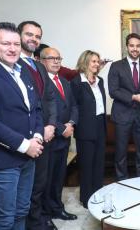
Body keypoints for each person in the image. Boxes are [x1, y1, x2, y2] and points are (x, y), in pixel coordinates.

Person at [0, 22, 44, 229]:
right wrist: (25, 145)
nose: (12, 49)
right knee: (4, 219)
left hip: (28, 158)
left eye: (16, 44)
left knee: (22, 212)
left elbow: (36, 110)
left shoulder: (24, 73)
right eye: (5, 43)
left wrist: (37, 138)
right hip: (1, 161)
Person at [17, 21, 58, 230]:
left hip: (46, 134)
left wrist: (51, 125)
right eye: (29, 35)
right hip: (27, 137)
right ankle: (33, 224)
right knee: (30, 187)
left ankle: (39, 220)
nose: (34, 39)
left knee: (41, 184)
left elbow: (50, 98)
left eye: (38, 36)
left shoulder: (39, 66)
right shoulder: (14, 64)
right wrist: (40, 130)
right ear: (19, 35)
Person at [108, 33, 140, 180]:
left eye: (138, 46)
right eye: (132, 45)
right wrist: (132, 97)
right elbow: (113, 91)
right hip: (122, 116)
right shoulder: (116, 66)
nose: (135, 49)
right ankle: (122, 182)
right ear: (127, 46)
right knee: (121, 152)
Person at [40, 47, 78, 222]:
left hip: (65, 139)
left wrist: (70, 124)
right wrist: (61, 128)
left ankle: (57, 208)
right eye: (51, 58)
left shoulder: (64, 81)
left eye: (58, 58)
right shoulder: (40, 82)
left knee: (58, 177)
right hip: (50, 139)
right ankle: (45, 215)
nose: (56, 61)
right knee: (45, 180)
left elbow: (74, 106)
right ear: (42, 61)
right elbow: (41, 112)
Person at [70, 50, 107, 209]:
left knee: (99, 163)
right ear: (85, 62)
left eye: (98, 62)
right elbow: (74, 106)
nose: (96, 64)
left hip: (100, 125)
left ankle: (97, 194)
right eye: (93, 61)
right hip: (85, 128)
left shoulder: (100, 80)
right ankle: (86, 198)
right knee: (87, 165)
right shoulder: (77, 82)